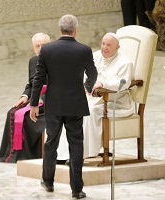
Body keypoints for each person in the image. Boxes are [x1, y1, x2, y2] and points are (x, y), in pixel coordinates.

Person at [29, 14, 97, 199]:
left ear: (60, 29)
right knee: (76, 146)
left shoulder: (47, 50)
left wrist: (34, 104)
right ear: (75, 30)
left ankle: (48, 182)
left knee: (51, 142)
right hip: (75, 104)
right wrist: (87, 87)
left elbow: (38, 79)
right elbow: (93, 73)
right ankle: (76, 189)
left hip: (54, 104)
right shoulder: (84, 50)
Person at [57, 32, 134, 161]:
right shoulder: (96, 56)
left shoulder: (125, 63)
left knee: (90, 112)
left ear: (117, 48)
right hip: (91, 98)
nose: (105, 48)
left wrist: (102, 84)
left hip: (114, 102)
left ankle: (83, 154)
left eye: (109, 45)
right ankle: (63, 154)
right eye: (103, 44)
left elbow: (123, 84)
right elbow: (84, 73)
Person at [0, 32, 50, 163]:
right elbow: (31, 84)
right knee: (12, 113)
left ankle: (29, 155)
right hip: (35, 98)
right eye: (37, 46)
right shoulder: (33, 61)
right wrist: (25, 95)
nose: (40, 49)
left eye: (44, 46)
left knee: (25, 116)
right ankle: (13, 155)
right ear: (33, 48)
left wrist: (42, 98)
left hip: (50, 100)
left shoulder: (57, 61)